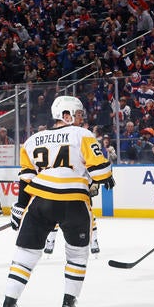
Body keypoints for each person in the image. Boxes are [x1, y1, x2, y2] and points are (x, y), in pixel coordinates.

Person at [1, 96, 115, 307]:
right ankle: (68, 301)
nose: (82, 118)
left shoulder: (33, 139)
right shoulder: (82, 134)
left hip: (41, 202)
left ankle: (8, 303)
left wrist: (20, 206)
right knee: (77, 254)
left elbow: (26, 178)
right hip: (74, 203)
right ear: (66, 115)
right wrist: (107, 176)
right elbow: (100, 171)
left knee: (25, 255)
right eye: (79, 114)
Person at [44, 108, 102, 256]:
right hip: (61, 183)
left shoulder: (83, 135)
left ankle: (93, 240)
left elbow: (95, 162)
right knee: (55, 214)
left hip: (80, 185)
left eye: (81, 115)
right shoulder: (58, 136)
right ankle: (50, 240)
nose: (81, 117)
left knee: (87, 214)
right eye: (78, 115)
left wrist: (95, 181)